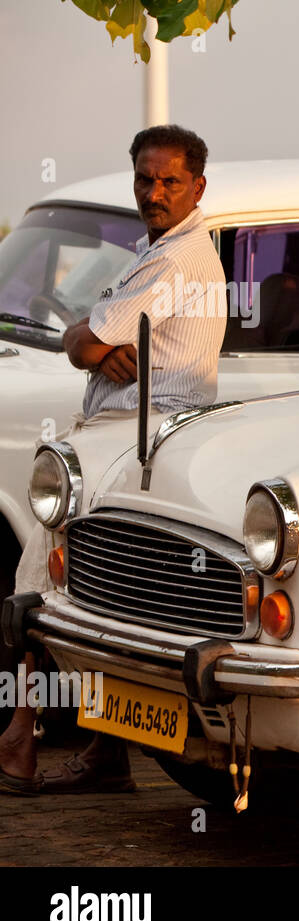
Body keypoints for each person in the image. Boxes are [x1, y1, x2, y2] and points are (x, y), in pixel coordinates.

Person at [0, 124, 226, 796]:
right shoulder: (156, 249)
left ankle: (19, 738)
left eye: (170, 182)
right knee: (104, 593)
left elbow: (88, 338)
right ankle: (103, 747)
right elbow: (90, 342)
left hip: (131, 443)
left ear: (198, 188)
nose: (154, 193)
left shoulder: (173, 260)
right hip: (127, 440)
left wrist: (89, 341)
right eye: (145, 180)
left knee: (40, 587)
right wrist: (91, 343)